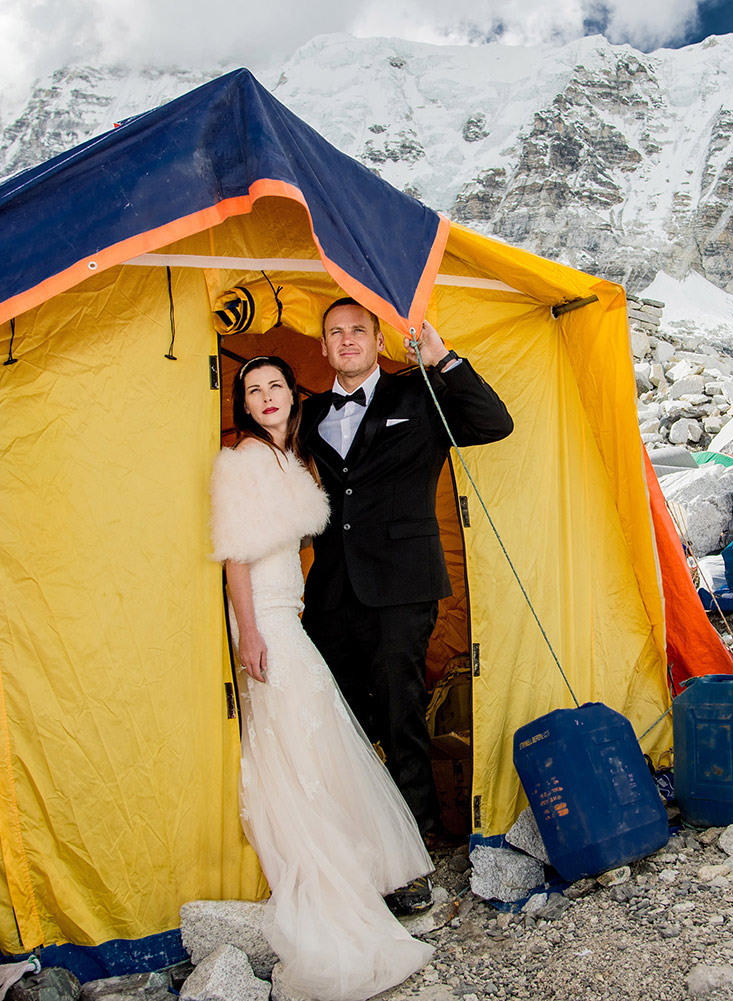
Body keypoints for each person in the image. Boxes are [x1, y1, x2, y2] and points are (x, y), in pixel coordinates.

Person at [209, 355, 434, 1001]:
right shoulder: (244, 461)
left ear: (292, 395)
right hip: (265, 620)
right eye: (253, 390)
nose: (266, 396)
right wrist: (250, 631)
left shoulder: (289, 458)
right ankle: (330, 873)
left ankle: (354, 866)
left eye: (275, 384)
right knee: (303, 727)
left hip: (289, 610)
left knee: (316, 730)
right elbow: (233, 555)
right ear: (245, 406)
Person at [299, 298, 514, 891]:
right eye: (335, 333)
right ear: (322, 347)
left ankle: (416, 843)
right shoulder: (309, 412)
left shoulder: (418, 394)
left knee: (400, 714)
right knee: (339, 718)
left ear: (377, 341)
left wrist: (442, 359)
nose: (346, 341)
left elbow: (494, 424)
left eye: (357, 331)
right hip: (332, 593)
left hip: (402, 587)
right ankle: (357, 839)